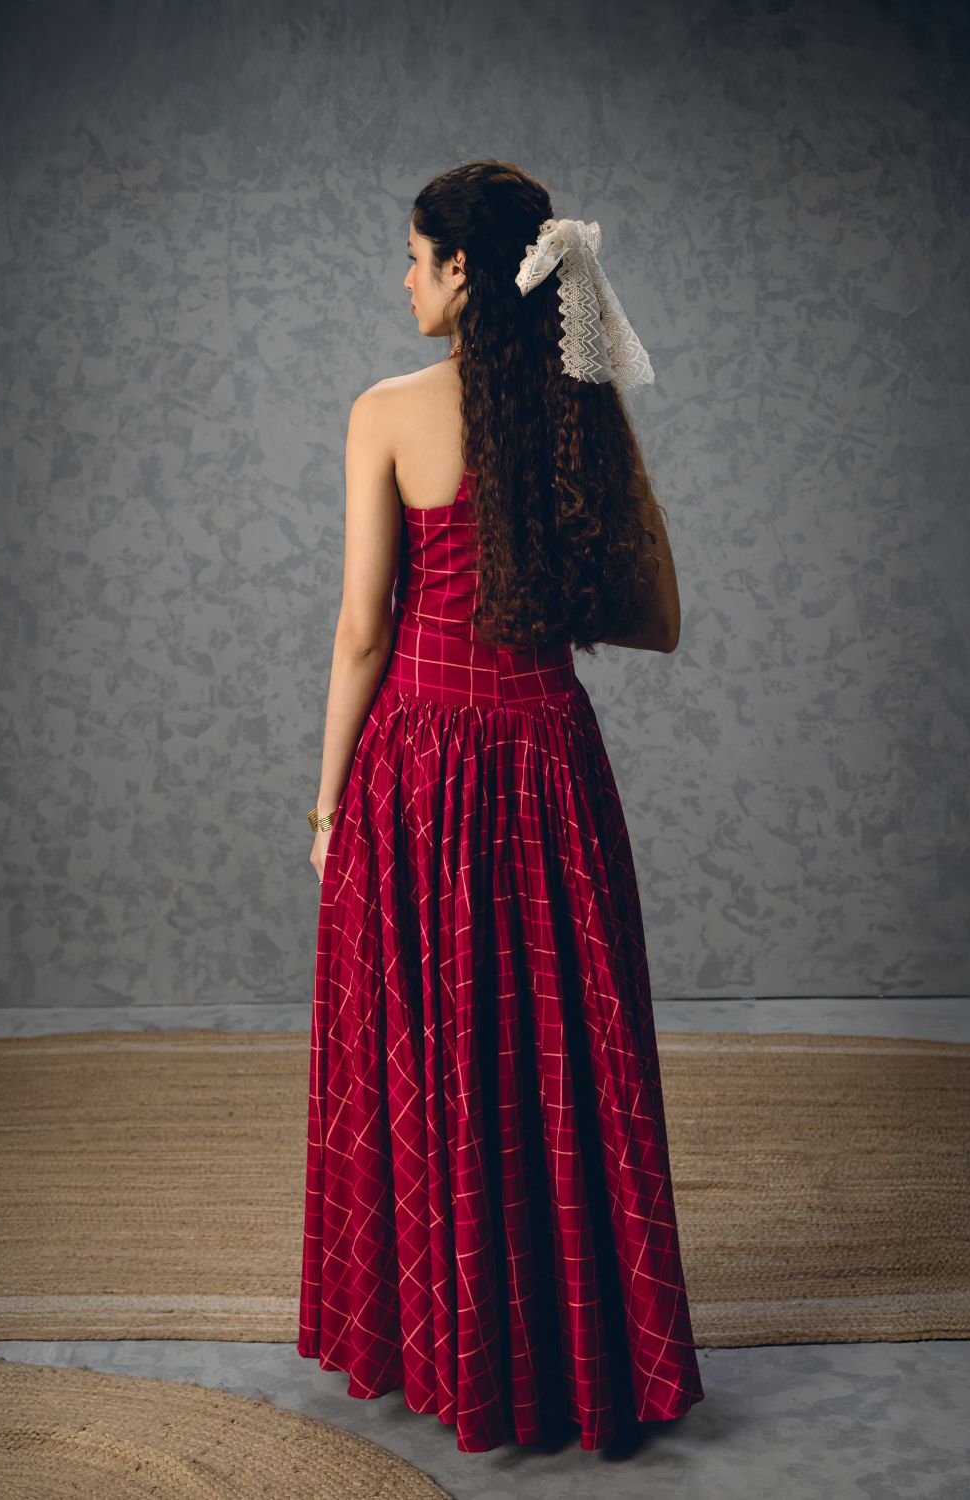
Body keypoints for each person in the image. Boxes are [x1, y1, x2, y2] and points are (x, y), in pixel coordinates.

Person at [297, 158, 704, 1454]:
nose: (404, 279)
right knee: (559, 1054)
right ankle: (577, 1356)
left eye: (417, 257)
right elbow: (652, 609)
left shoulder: (385, 413)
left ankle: (452, 1347)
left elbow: (364, 631)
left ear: (465, 270)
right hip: (546, 762)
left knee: (431, 1055)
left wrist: (326, 809)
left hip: (420, 766)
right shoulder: (577, 414)